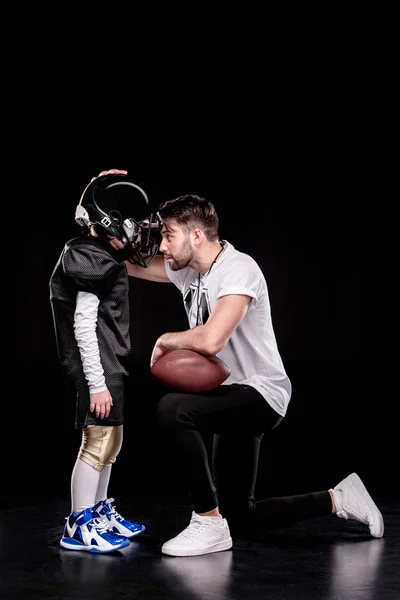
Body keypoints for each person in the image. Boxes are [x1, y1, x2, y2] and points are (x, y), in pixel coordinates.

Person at [99, 170, 384, 558]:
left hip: (262, 393)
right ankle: (338, 497)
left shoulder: (239, 269)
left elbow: (213, 338)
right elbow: (127, 264)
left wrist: (166, 339)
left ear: (196, 235)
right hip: (229, 392)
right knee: (242, 517)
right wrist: (99, 224)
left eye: (168, 235)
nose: (162, 245)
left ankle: (206, 521)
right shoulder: (188, 272)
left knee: (172, 409)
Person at [49, 171, 160, 553]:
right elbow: (82, 325)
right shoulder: (86, 255)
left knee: (111, 440)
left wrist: (94, 185)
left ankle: (95, 511)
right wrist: (96, 382)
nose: (138, 234)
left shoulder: (103, 253)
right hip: (95, 364)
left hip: (108, 360)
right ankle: (79, 524)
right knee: (96, 441)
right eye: (132, 225)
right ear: (109, 220)